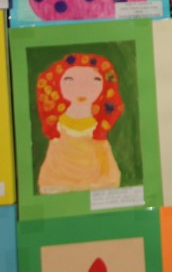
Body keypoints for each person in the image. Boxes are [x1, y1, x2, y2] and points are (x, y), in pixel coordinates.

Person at [36, 52, 124, 193]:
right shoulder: (58, 123)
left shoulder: (98, 127)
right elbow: (53, 161)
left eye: (95, 80)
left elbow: (104, 161)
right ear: (56, 84)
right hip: (59, 180)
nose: (81, 89)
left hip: (96, 181)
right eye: (69, 80)